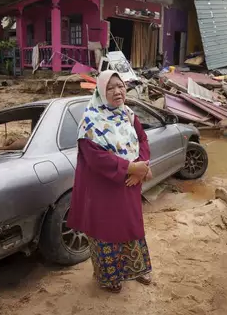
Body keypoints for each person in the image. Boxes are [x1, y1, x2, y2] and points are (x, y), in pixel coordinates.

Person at [68, 70, 153, 294]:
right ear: (101, 91)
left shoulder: (128, 114)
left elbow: (142, 140)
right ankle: (110, 278)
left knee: (131, 225)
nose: (118, 91)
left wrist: (141, 168)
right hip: (103, 189)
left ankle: (136, 268)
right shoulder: (90, 120)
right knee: (105, 231)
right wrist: (129, 167)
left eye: (121, 86)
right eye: (111, 87)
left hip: (129, 185)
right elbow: (95, 157)